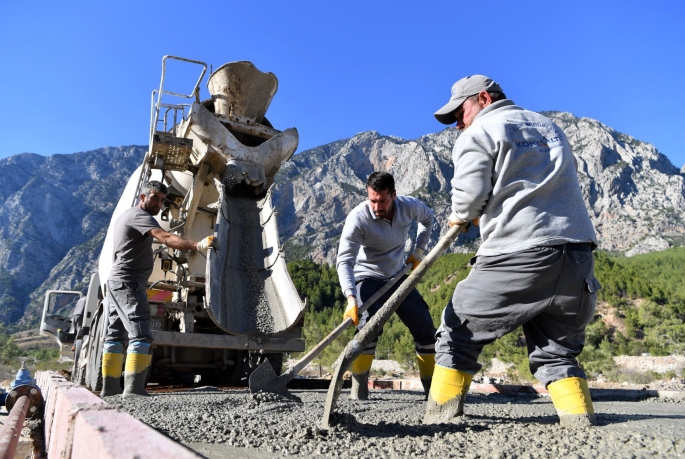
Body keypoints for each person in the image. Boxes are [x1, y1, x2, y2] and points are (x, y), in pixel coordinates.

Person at [424, 75, 600, 427]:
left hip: (518, 255)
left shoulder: (481, 132)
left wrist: (461, 216)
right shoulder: (550, 127)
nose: (458, 123)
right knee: (557, 351)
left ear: (484, 99)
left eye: (460, 112)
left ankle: (438, 420)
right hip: (577, 259)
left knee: (456, 331)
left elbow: (469, 198)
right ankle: (580, 426)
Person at [101, 180, 216, 397]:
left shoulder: (126, 216)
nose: (159, 203)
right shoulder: (140, 216)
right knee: (141, 334)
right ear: (142, 197)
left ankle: (110, 389)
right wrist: (197, 245)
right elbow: (165, 237)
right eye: (155, 198)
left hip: (119, 281)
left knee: (115, 335)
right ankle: (134, 390)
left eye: (162, 200)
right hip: (128, 282)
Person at [336, 172, 436, 398]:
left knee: (425, 328)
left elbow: (428, 218)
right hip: (367, 276)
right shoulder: (358, 218)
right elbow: (345, 261)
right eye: (372, 200)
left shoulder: (408, 206)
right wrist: (351, 298)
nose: (376, 206)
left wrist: (418, 251)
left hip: (398, 274)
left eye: (382, 200)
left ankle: (431, 391)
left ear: (394, 195)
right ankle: (359, 387)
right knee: (369, 329)